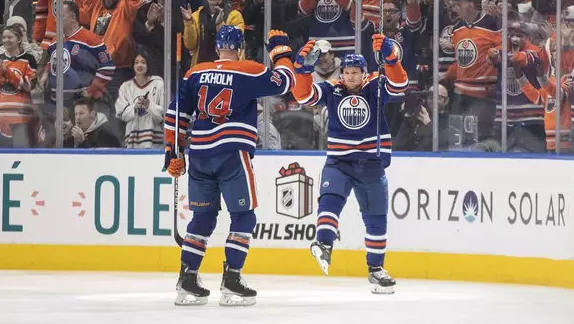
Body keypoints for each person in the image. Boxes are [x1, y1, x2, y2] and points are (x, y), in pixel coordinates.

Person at [164, 26, 299, 307]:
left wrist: (171, 150)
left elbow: (177, 113)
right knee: (243, 217)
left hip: (199, 154)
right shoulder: (247, 69)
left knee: (201, 219)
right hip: (231, 153)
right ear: (240, 49)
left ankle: (187, 278)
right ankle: (232, 279)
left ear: (217, 48)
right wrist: (281, 51)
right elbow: (286, 82)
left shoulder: (195, 72)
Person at [292, 34, 408, 294]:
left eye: (355, 72)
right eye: (347, 72)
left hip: (371, 163)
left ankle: (376, 270)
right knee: (330, 201)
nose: (350, 77)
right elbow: (304, 97)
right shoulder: (332, 88)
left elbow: (400, 84)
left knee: (376, 219)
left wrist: (391, 59)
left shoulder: (376, 86)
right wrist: (302, 71)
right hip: (339, 162)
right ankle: (323, 244)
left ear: (365, 73)